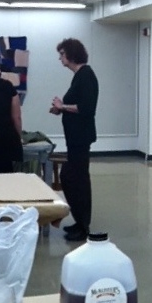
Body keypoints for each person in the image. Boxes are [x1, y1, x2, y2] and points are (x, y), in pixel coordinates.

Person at [51, 38, 98, 241]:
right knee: (73, 178)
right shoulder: (79, 76)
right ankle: (79, 222)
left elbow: (86, 108)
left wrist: (62, 106)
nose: (60, 58)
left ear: (71, 54)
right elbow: (76, 106)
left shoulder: (86, 75)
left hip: (80, 138)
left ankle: (83, 226)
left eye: (62, 54)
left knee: (76, 179)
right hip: (75, 138)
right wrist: (61, 109)